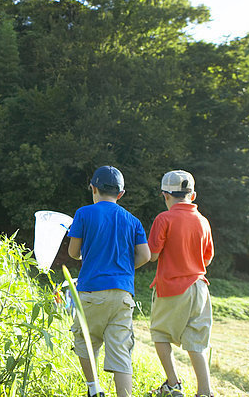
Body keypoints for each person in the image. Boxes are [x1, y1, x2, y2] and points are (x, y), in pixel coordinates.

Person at [68, 165, 151, 397]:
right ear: (121, 194)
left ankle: (94, 390)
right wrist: (123, 269)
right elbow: (145, 255)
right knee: (120, 350)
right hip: (123, 294)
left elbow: (74, 252)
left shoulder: (84, 213)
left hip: (92, 292)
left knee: (85, 340)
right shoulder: (133, 220)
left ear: (93, 188)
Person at [147, 170, 214, 397]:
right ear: (192, 195)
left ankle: (173, 385)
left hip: (172, 287)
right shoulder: (203, 221)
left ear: (165, 195)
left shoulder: (163, 219)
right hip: (200, 287)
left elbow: (153, 255)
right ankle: (205, 391)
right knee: (196, 341)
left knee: (160, 333)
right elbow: (207, 258)